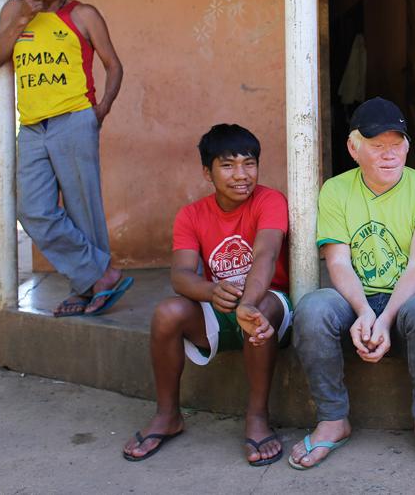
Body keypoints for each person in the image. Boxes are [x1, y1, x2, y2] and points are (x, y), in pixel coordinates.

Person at [290, 97, 415, 472]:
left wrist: (384, 321)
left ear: (408, 147)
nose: (389, 155)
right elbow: (338, 261)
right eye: (377, 146)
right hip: (355, 300)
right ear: (354, 148)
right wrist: (365, 311)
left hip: (408, 303)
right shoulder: (335, 190)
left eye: (396, 145)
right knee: (313, 308)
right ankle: (334, 419)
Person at [121, 124, 292, 465]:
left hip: (269, 303)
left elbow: (266, 255)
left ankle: (257, 417)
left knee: (264, 307)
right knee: (167, 312)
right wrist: (212, 291)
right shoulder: (191, 215)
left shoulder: (270, 200)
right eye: (228, 165)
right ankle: (168, 415)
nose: (241, 175)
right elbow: (181, 275)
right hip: (220, 304)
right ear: (207, 172)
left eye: (249, 163)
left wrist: (247, 303)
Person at [0, 0, 129, 316]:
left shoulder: (83, 14)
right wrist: (21, 19)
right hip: (32, 126)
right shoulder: (14, 10)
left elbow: (114, 64)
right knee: (32, 209)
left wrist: (102, 109)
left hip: (74, 119)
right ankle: (100, 275)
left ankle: (85, 288)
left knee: (84, 209)